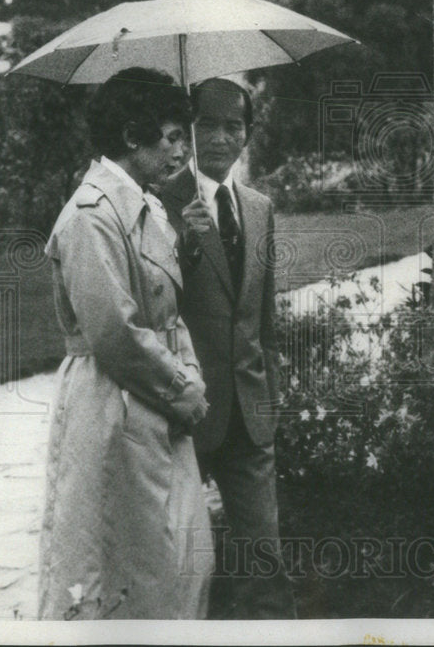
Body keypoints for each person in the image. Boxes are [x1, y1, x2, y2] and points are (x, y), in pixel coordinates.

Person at [38, 68, 213, 620]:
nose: (184, 151)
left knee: (182, 558)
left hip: (154, 400)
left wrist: (188, 374)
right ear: (132, 136)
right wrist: (182, 388)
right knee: (119, 564)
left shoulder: (146, 206)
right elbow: (115, 334)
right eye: (172, 137)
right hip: (113, 407)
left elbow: (166, 314)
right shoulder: (91, 217)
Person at [161, 77, 295, 619]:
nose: (220, 137)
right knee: (179, 563)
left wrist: (271, 397)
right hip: (186, 414)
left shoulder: (259, 209)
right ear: (189, 133)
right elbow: (152, 311)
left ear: (247, 135)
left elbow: (263, 320)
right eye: (207, 125)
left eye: (232, 126)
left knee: (266, 557)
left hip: (250, 416)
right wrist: (186, 248)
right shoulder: (160, 201)